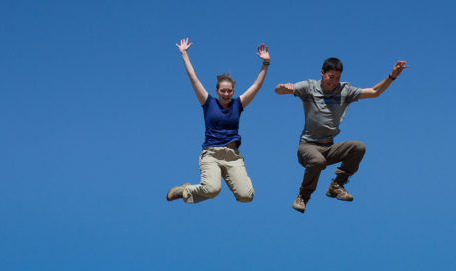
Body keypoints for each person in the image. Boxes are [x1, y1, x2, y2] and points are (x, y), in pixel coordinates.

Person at [275, 57, 408, 213]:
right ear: (322, 73)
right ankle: (303, 196)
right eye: (331, 77)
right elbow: (278, 90)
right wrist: (285, 88)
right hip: (307, 147)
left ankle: (337, 185)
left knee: (358, 147)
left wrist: (392, 76)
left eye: (338, 78)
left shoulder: (344, 91)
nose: (334, 82)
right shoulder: (309, 87)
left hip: (329, 147)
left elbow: (374, 92)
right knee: (318, 161)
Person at [166, 38, 270, 204]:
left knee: (246, 196)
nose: (226, 94)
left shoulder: (238, 104)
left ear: (233, 91)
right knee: (212, 189)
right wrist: (184, 54)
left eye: (229, 91)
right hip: (211, 154)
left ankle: (234, 179)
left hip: (232, 156)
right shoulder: (208, 103)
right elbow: (194, 79)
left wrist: (265, 63)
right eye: (223, 91)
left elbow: (256, 86)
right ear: (217, 91)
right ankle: (185, 191)